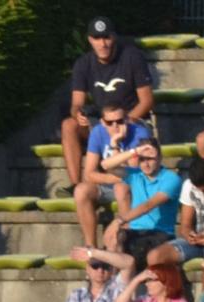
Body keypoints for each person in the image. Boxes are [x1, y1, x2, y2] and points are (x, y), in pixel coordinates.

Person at [60, 15, 153, 194]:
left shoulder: (132, 57)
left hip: (133, 121)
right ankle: (76, 186)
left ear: (114, 37)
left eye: (106, 37)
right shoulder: (83, 64)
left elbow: (147, 101)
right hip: (102, 123)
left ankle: (134, 182)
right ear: (89, 40)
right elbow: (76, 103)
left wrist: (123, 123)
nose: (102, 44)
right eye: (97, 38)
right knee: (68, 125)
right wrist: (77, 114)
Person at [71, 103, 150, 249]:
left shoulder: (140, 133)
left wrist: (115, 144)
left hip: (135, 186)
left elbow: (133, 171)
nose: (115, 126)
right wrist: (116, 178)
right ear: (102, 122)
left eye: (119, 121)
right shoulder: (97, 132)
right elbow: (89, 174)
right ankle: (90, 248)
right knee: (81, 190)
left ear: (127, 119)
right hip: (111, 183)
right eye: (110, 122)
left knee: (121, 188)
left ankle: (126, 245)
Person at [104, 141, 181, 266]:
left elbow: (148, 205)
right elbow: (106, 165)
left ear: (160, 158)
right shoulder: (135, 174)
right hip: (135, 232)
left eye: (150, 159)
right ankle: (117, 277)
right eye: (142, 159)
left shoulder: (171, 179)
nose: (146, 164)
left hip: (160, 233)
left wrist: (118, 221)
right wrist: (134, 152)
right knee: (113, 239)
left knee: (135, 249)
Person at [147, 157, 204, 268]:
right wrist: (190, 236)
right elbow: (185, 224)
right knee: (155, 257)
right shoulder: (189, 185)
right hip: (198, 240)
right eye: (200, 190)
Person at [60, 246, 126, 302]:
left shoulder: (119, 289)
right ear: (87, 269)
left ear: (111, 269)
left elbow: (129, 263)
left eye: (105, 266)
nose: (100, 270)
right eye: (95, 266)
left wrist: (91, 253)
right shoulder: (77, 294)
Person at [113, 262, 191, 302]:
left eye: (150, 280)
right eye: (146, 281)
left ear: (166, 281)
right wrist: (136, 280)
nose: (146, 284)